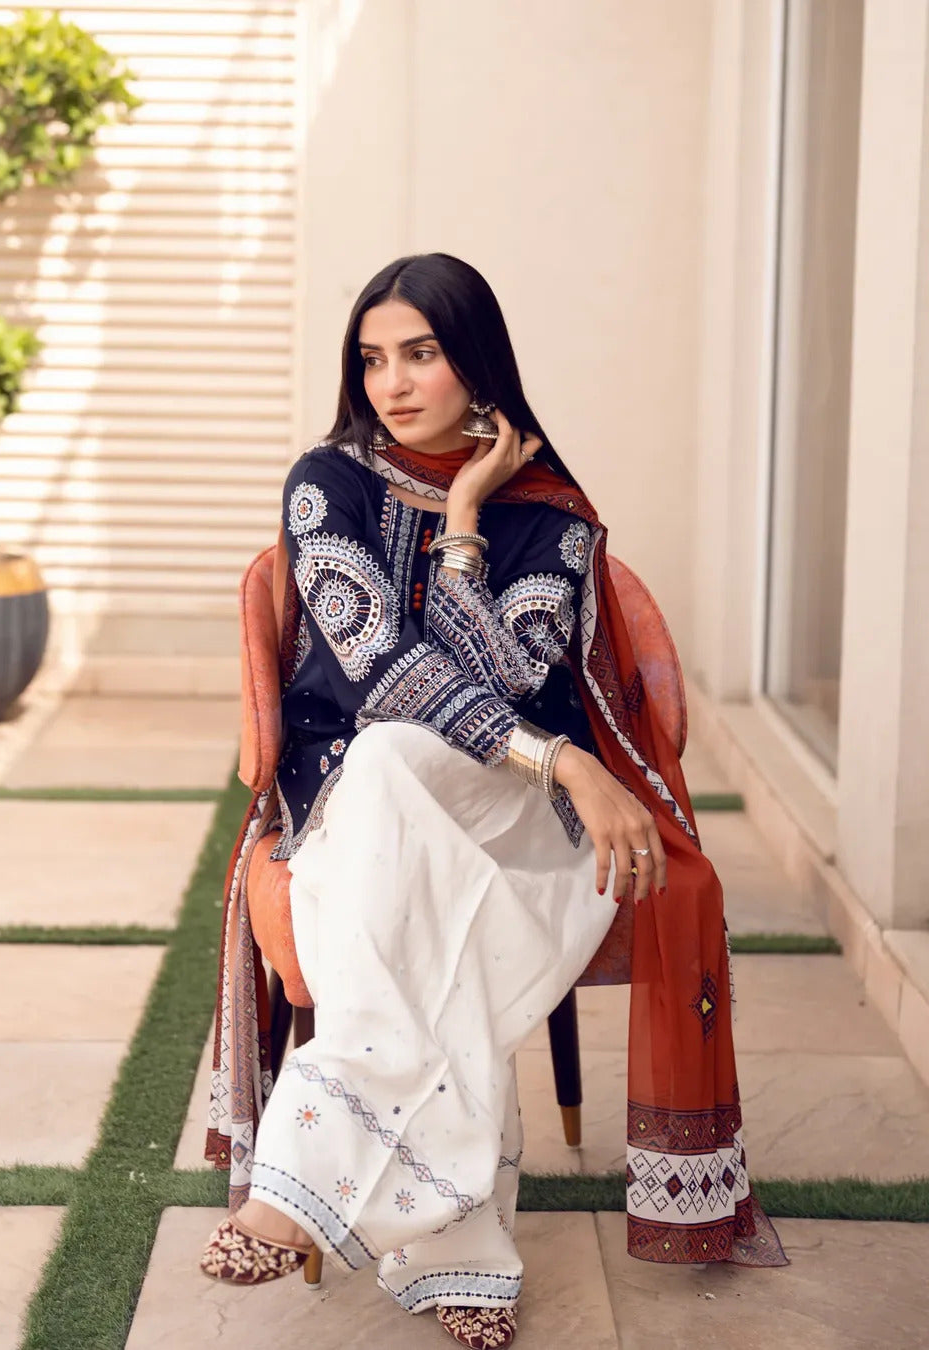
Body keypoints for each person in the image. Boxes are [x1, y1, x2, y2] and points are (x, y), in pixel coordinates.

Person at [200, 253, 786, 1348]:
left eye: (420, 353)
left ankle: (301, 1184)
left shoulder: (552, 517)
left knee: (413, 823)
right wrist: (572, 764)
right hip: (358, 796)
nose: (391, 383)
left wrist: (467, 519)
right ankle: (459, 1251)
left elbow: (508, 681)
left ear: (476, 360)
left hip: (512, 807)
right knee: (391, 767)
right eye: (372, 358)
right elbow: (385, 674)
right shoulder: (327, 486)